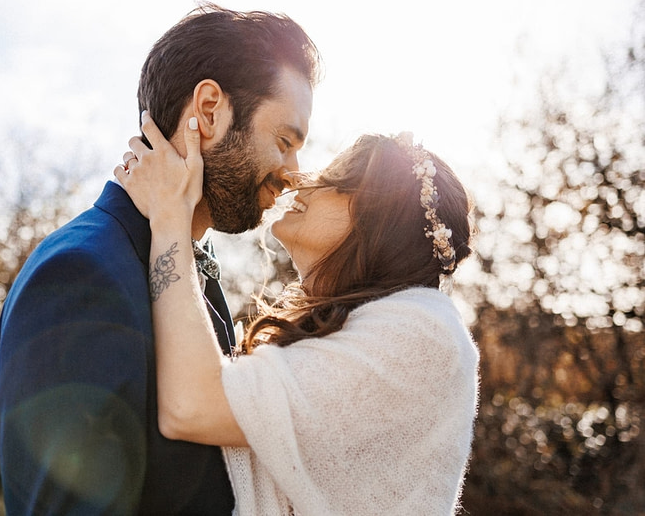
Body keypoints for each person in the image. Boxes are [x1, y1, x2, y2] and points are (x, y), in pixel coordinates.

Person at [0, 3, 321, 514]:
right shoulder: (81, 273)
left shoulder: (189, 272)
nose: (293, 171)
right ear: (209, 110)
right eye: (284, 141)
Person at [115, 114, 480, 515]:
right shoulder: (376, 328)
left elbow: (193, 406)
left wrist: (171, 215)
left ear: (380, 215)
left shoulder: (424, 334)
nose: (300, 180)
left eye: (335, 179)